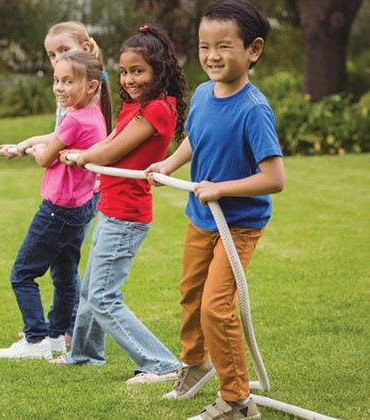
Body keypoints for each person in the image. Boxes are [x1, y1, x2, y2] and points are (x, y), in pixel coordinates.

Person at [144, 1, 285, 418]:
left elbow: (274, 178)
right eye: (204, 46)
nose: (212, 56)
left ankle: (237, 401)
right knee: (190, 294)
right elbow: (195, 139)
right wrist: (167, 163)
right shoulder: (204, 94)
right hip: (200, 217)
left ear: (253, 50)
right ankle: (195, 364)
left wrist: (222, 187)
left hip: (237, 225)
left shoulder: (254, 109)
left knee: (216, 307)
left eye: (223, 46)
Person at [51, 25, 187, 386]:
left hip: (127, 214)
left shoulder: (158, 109)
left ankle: (162, 364)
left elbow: (112, 150)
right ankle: (84, 354)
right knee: (90, 289)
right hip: (111, 207)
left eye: (138, 71)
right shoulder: (138, 105)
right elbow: (111, 137)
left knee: (103, 297)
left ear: (160, 71)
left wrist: (83, 156)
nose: (129, 79)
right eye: (124, 71)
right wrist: (83, 153)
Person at [0, 21, 110, 347]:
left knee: (22, 273)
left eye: (64, 52)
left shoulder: (78, 112)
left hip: (61, 206)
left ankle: (35, 339)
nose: (59, 86)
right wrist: (23, 145)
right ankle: (60, 331)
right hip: (79, 203)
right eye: (55, 76)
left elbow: (47, 156)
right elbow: (56, 140)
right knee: (64, 272)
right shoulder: (86, 109)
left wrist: (36, 151)